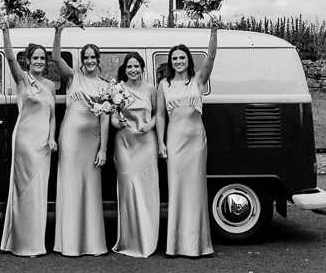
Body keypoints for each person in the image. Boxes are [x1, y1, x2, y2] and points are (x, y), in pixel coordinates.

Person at [48, 27, 111, 257]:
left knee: (90, 188)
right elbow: (55, 58)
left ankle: (92, 243)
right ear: (81, 61)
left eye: (93, 57)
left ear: (98, 59)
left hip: (92, 140)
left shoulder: (105, 86)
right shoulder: (73, 77)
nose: (89, 61)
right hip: (71, 139)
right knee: (70, 185)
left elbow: (105, 118)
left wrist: (103, 148)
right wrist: (58, 32)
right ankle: (68, 243)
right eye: (86, 57)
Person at [158, 24, 218, 258]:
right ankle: (176, 245)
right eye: (174, 58)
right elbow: (160, 115)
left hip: (195, 141)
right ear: (170, 62)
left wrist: (213, 33)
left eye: (182, 57)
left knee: (195, 191)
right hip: (174, 140)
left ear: (188, 60)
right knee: (177, 190)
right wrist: (161, 143)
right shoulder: (164, 84)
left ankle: (197, 244)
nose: (178, 61)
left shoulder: (198, 81)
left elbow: (211, 58)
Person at [0, 18, 57, 257]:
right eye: (36, 58)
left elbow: (52, 115)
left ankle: (36, 242)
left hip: (44, 144)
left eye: (43, 58)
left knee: (39, 193)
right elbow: (10, 58)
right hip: (25, 142)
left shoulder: (51, 85)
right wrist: (6, 32)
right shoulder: (22, 80)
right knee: (25, 191)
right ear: (28, 61)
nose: (40, 62)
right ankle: (22, 244)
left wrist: (53, 138)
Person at [109, 52, 161, 258]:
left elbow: (159, 113)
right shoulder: (118, 89)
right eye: (129, 67)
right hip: (124, 143)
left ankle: (147, 238)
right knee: (128, 187)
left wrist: (152, 123)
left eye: (136, 66)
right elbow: (113, 116)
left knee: (147, 189)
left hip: (146, 143)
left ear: (142, 68)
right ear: (125, 69)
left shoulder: (151, 89)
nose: (132, 70)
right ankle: (130, 239)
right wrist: (117, 123)